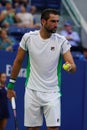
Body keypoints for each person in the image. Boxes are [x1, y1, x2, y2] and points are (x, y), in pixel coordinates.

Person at [7, 9, 76, 130]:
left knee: (53, 128)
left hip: (52, 92)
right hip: (32, 91)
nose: (56, 25)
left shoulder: (61, 41)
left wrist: (70, 67)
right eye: (53, 21)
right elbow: (18, 61)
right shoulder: (28, 38)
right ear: (43, 21)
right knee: (33, 128)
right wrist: (11, 86)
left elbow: (72, 66)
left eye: (57, 21)